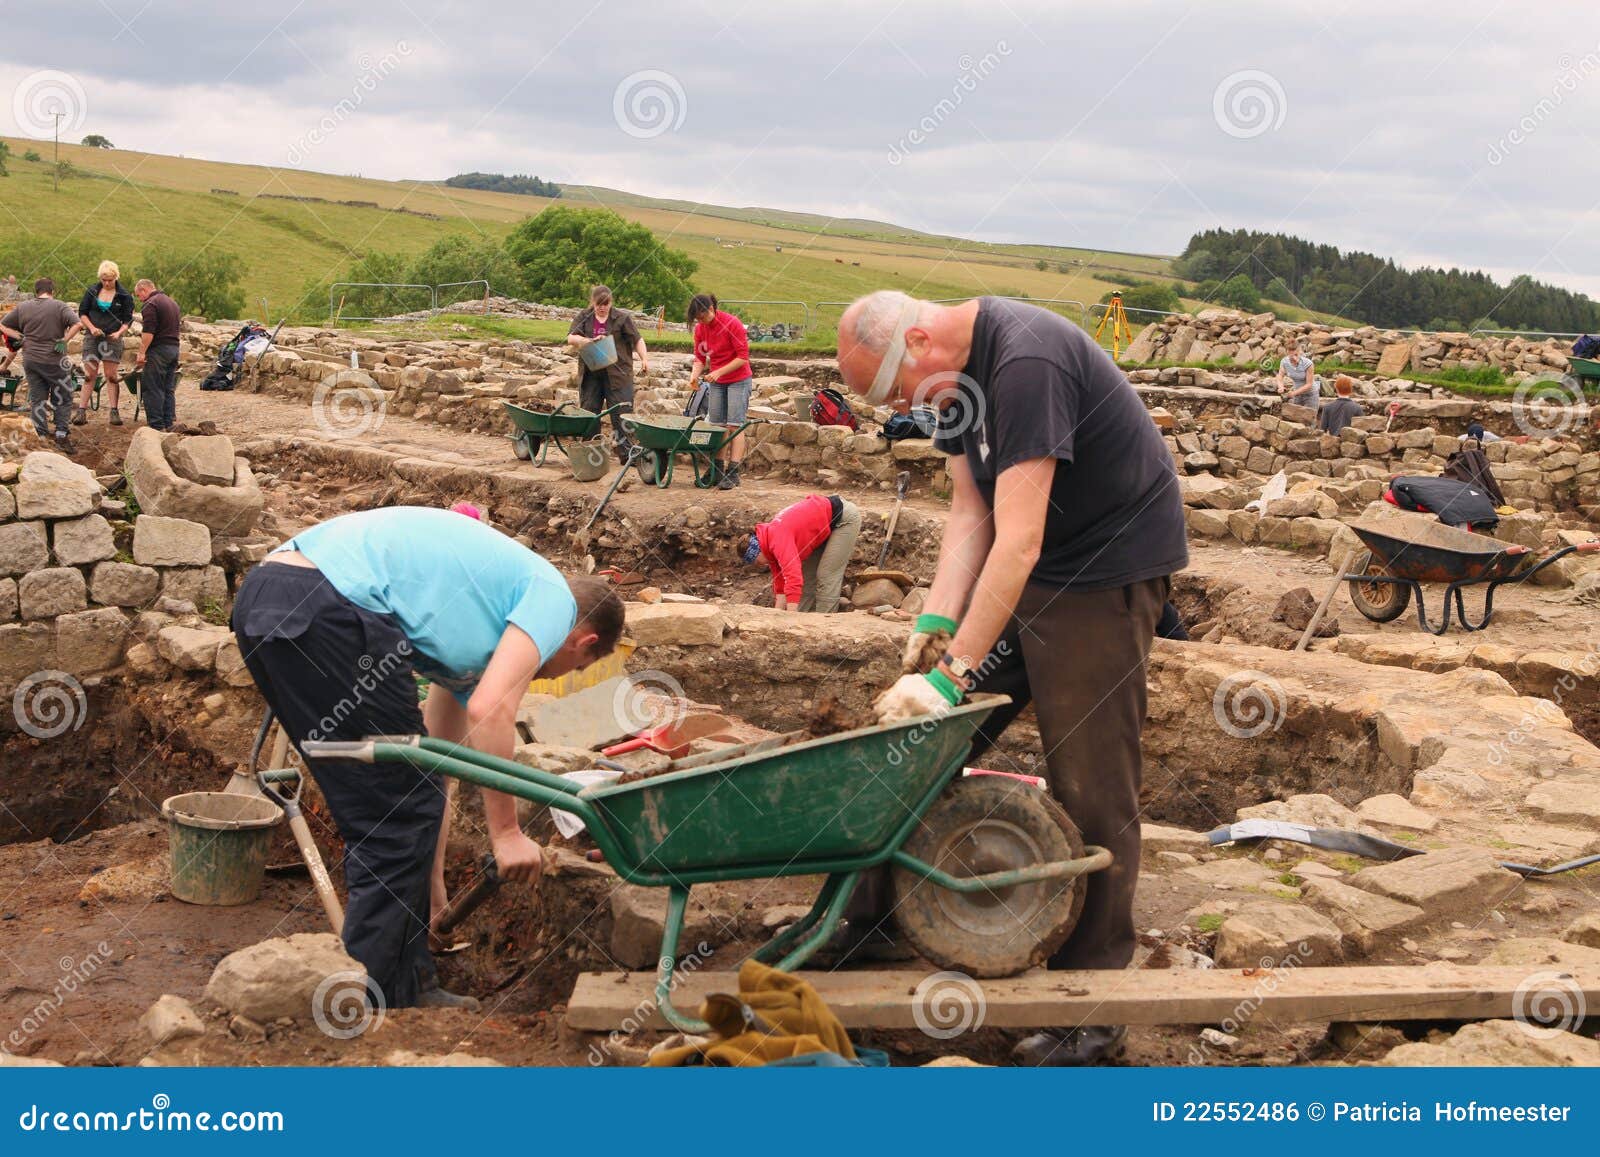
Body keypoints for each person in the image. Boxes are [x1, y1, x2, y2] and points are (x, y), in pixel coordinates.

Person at [836, 290, 1187, 1067]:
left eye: (895, 391)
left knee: (1091, 782)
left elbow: (1019, 539)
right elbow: (972, 509)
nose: (902, 409)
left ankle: (1089, 1011)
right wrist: (935, 623)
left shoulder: (1025, 362)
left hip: (1102, 573)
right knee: (914, 745)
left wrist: (957, 674)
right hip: (1032, 568)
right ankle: (869, 922)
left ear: (920, 340)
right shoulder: (953, 382)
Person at [230, 506, 625, 1009]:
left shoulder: (467, 641)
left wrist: (433, 883)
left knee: (395, 810)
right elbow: (492, 710)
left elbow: (437, 770)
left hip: (268, 599)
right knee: (394, 820)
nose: (557, 676)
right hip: (328, 609)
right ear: (582, 640)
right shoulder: (554, 600)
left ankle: (404, 986)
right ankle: (371, 1003)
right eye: (576, 666)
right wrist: (506, 834)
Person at [738, 493, 863, 613]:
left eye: (755, 561)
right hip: (822, 527)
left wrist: (792, 618)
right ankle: (805, 619)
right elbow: (780, 582)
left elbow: (793, 577)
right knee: (807, 576)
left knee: (826, 575)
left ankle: (824, 625)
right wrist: (776, 616)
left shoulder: (777, 539)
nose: (758, 565)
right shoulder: (768, 544)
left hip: (843, 519)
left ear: (757, 551)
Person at [0, 279, 85, 453]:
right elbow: (78, 324)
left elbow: (2, 325)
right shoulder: (60, 306)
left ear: (36, 291)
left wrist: (18, 337)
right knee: (63, 396)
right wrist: (64, 340)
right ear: (52, 290)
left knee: (38, 398)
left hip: (30, 359)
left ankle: (41, 435)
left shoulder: (23, 307)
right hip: (54, 359)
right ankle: (61, 434)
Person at [566, 285, 647, 457]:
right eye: (598, 304)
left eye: (606, 303)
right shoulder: (584, 317)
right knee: (590, 413)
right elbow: (571, 337)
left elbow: (638, 340)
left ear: (611, 302)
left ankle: (626, 452)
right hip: (591, 374)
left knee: (622, 414)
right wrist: (588, 340)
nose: (602, 307)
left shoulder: (622, 318)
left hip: (618, 374)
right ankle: (591, 453)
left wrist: (644, 359)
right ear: (592, 302)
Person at [687, 293, 752, 489]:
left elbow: (742, 357)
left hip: (738, 380)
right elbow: (700, 358)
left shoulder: (732, 324)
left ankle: (733, 471)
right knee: (717, 425)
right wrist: (694, 375)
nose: (701, 322)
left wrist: (718, 372)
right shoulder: (700, 329)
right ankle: (717, 469)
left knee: (734, 424)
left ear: (711, 309)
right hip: (717, 381)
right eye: (697, 319)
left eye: (702, 316)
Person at [74, 261, 136, 427]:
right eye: (104, 279)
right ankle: (81, 411)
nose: (107, 283)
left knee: (111, 375)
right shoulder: (92, 291)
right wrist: (92, 328)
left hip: (112, 338)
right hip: (92, 336)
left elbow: (128, 319)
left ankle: (114, 411)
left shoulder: (124, 296)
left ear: (116, 277)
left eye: (110, 280)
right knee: (89, 374)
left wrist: (119, 332)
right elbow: (82, 313)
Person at [133, 278, 181, 431]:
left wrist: (141, 353)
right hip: (174, 349)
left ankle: (156, 425)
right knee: (168, 388)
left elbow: (148, 332)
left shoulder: (151, 304)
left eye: (138, 295)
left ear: (144, 290)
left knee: (153, 387)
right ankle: (169, 423)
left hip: (158, 350)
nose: (139, 299)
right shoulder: (172, 303)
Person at [1276, 338, 1317, 408]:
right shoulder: (1284, 362)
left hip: (1310, 394)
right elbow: (1280, 376)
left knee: (1310, 416)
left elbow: (1309, 384)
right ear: (1286, 351)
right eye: (1289, 351)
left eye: (1294, 351)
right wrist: (1280, 387)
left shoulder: (1308, 363)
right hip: (1297, 394)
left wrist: (1294, 393)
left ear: (1298, 350)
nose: (1292, 355)